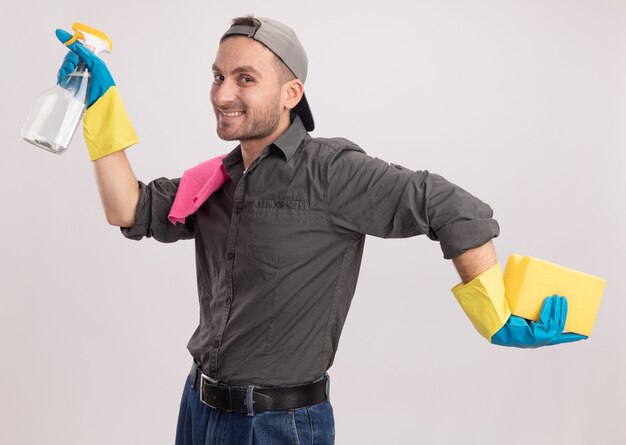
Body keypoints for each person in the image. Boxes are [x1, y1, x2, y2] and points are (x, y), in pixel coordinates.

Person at [55, 15, 586, 445]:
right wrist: (101, 106)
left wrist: (492, 313)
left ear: (291, 93)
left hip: (277, 426)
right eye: (218, 75)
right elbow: (129, 208)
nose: (221, 94)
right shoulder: (217, 179)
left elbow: (452, 206)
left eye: (245, 79)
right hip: (198, 410)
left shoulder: (333, 172)